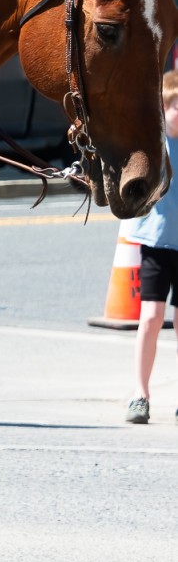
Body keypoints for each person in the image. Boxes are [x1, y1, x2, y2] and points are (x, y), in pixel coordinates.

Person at [122, 71, 178, 423]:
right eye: (174, 106)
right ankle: (140, 394)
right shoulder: (154, 145)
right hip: (156, 241)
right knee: (152, 316)